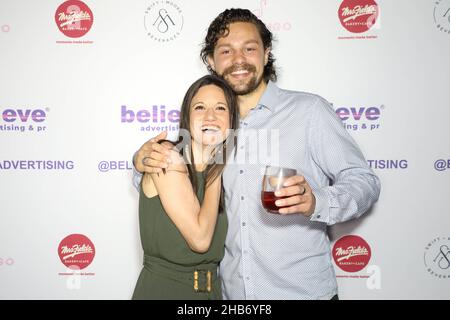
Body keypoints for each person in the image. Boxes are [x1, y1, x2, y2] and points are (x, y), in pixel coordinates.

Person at [133, 8, 381, 300]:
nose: (239, 59)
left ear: (266, 53)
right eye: (226, 50)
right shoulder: (212, 129)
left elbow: (363, 181)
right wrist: (140, 163)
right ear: (211, 60)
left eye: (249, 48)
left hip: (302, 293)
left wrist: (317, 201)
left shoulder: (309, 112)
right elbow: (170, 185)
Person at [132, 75, 239, 300]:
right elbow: (200, 240)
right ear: (186, 117)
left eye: (220, 108)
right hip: (166, 292)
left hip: (211, 294)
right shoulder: (167, 155)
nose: (210, 116)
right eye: (200, 107)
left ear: (231, 119)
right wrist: (216, 168)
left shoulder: (225, 169)